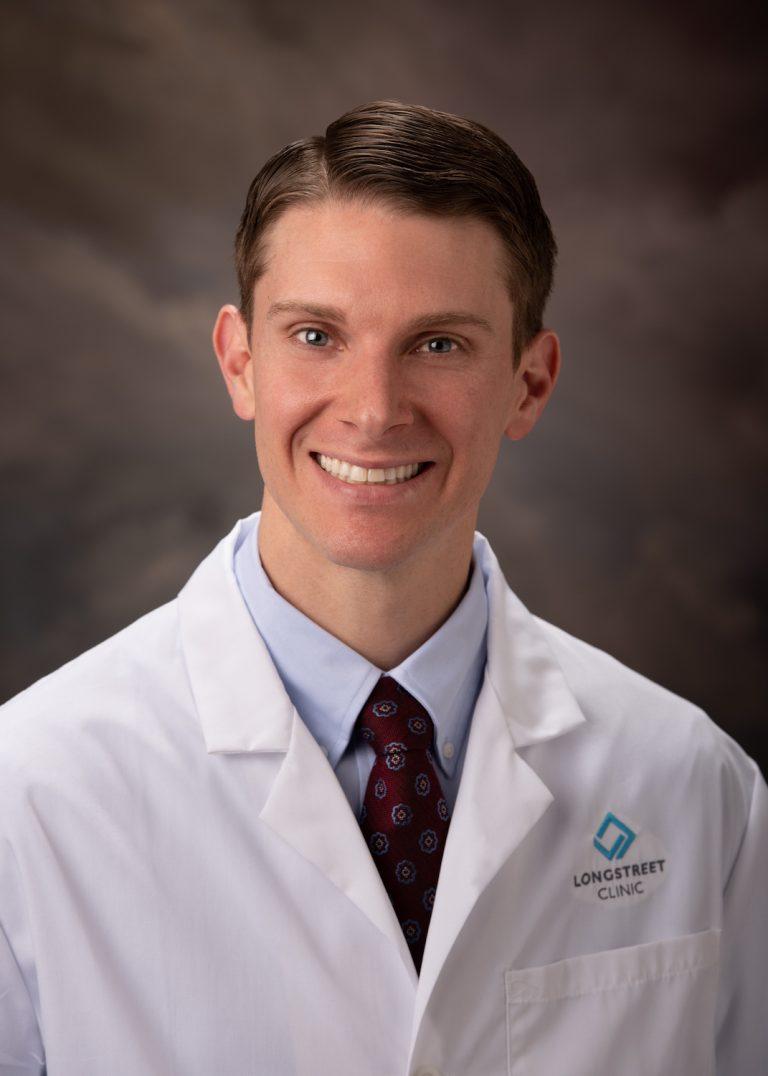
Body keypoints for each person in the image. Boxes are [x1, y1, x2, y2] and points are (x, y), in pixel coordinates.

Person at [0, 100, 765, 1076]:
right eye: (317, 335)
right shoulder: (29, 793)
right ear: (241, 362)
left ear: (529, 382)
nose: (373, 410)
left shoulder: (693, 785)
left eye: (438, 343)